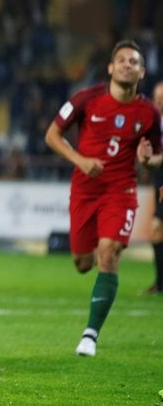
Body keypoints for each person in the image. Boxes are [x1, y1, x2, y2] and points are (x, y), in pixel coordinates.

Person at [45, 40, 161, 357]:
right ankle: (99, 263)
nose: (127, 65)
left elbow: (157, 158)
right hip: (84, 189)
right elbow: (52, 134)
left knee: (109, 253)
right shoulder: (86, 98)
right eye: (121, 60)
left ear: (142, 71)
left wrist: (148, 158)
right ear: (110, 67)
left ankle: (90, 335)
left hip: (120, 191)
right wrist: (80, 160)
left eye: (134, 62)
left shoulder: (148, 112)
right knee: (83, 263)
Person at [147, 81, 163, 295]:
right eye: (157, 98)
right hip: (158, 183)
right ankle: (160, 283)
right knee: (157, 232)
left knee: (157, 230)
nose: (159, 102)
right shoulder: (152, 124)